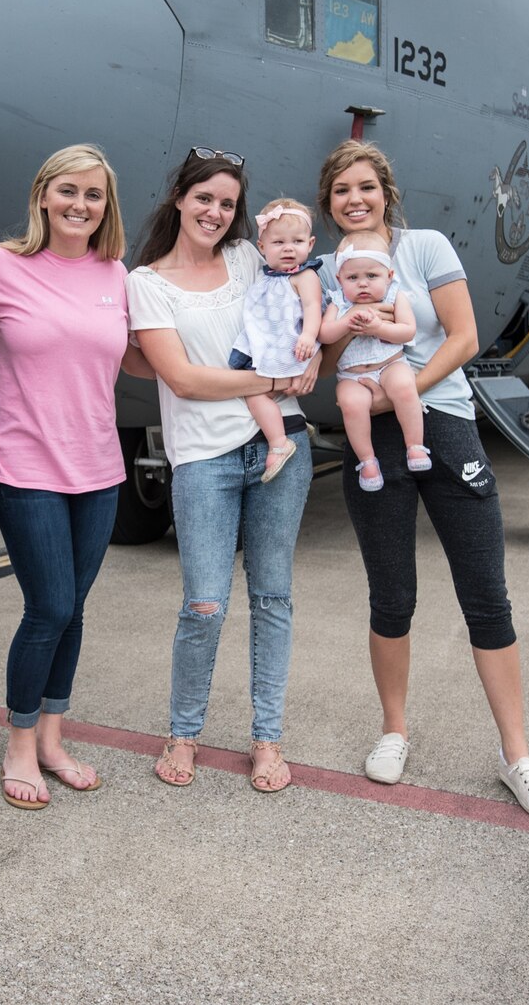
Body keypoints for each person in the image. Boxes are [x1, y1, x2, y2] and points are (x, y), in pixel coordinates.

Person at [316, 140, 529, 819]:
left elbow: (462, 336)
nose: (354, 199)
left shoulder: (425, 248)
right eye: (341, 190)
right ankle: (394, 730)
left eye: (365, 185)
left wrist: (405, 393)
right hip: (371, 436)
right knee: (392, 595)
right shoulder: (325, 269)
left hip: (441, 422)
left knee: (486, 593)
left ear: (385, 190)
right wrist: (337, 315)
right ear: (328, 202)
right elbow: (321, 351)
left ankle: (518, 754)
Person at [0, 145, 147, 811]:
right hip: (26, 465)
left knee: (74, 608)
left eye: (94, 195)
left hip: (99, 469)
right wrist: (6, 375)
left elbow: (134, 364)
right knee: (49, 606)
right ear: (43, 194)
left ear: (107, 206)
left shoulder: (115, 274)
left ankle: (51, 737)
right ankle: (17, 741)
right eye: (68, 190)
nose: (80, 204)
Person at [127, 149, 315, 795]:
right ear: (179, 197)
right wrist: (272, 379)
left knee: (273, 597)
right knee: (204, 605)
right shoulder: (147, 282)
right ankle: (184, 731)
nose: (215, 211)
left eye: (227, 203)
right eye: (204, 197)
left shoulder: (247, 259)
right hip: (203, 456)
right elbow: (182, 377)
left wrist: (316, 349)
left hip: (279, 443)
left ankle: (267, 739)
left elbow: (305, 293)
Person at [320, 227, 429, 489]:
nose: (363, 283)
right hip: (352, 375)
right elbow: (325, 334)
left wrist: (378, 328)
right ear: (340, 279)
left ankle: (415, 445)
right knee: (350, 403)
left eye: (372, 275)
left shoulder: (394, 296)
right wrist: (347, 322)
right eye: (353, 277)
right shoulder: (339, 303)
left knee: (404, 387)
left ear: (389, 276)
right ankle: (367, 461)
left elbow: (407, 330)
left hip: (390, 364)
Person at [228, 197, 325, 483]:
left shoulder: (305, 276)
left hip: (292, 346)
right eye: (279, 242)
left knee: (256, 395)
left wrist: (309, 335)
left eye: (297, 241)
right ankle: (288, 429)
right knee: (255, 392)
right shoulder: (266, 277)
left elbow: (312, 307)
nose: (288, 248)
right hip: (270, 346)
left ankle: (280, 442)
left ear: (310, 244)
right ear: (262, 247)